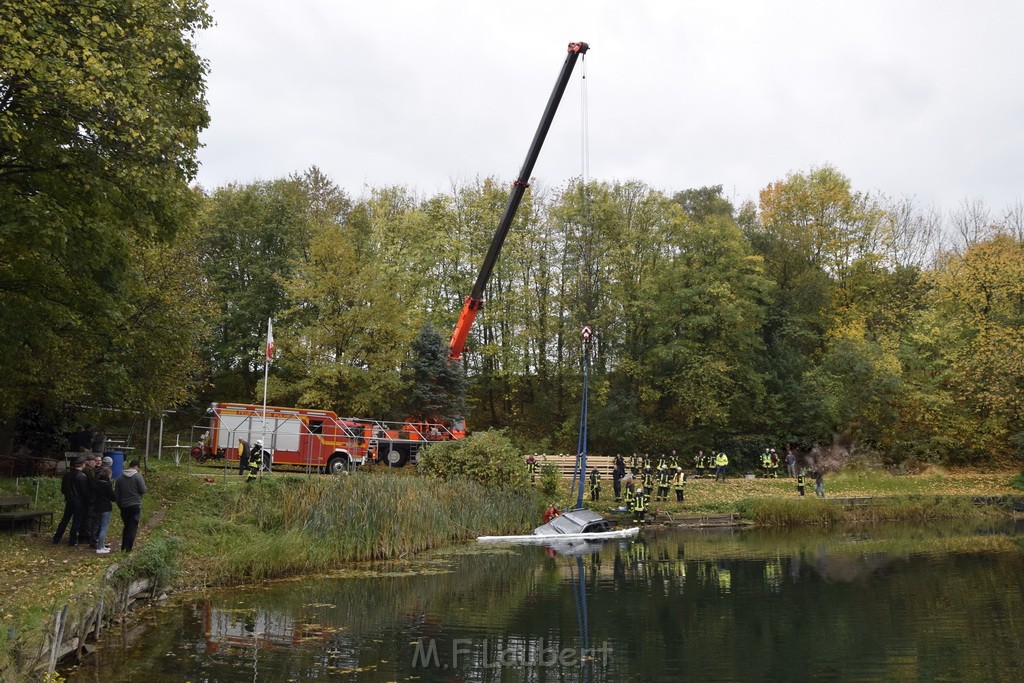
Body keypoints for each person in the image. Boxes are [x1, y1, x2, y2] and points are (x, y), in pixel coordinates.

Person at [53, 457, 90, 546]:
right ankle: (72, 540)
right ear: (82, 464)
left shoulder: (67, 475)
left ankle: (57, 538)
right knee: (76, 522)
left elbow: (63, 489)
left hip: (69, 501)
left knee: (65, 520)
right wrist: (88, 501)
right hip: (80, 502)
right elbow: (84, 491)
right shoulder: (82, 476)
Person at [114, 459, 147, 552]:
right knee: (133, 527)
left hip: (124, 506)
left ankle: (123, 546)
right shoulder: (138, 477)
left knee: (126, 526)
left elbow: (116, 494)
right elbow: (143, 490)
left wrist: (120, 504)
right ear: (136, 467)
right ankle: (129, 548)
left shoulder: (120, 478)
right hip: (135, 505)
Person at [93, 466, 116, 553]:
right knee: (104, 527)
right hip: (105, 507)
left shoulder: (97, 482)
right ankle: (99, 548)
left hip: (97, 507)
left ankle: (101, 544)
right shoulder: (107, 484)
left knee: (99, 526)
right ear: (109, 474)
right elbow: (112, 497)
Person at [81, 453, 101, 546]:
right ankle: (87, 535)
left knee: (88, 517)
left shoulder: (89, 470)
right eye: (94, 461)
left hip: (87, 497)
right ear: (89, 462)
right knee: (89, 517)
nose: (95, 463)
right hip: (90, 497)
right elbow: (93, 483)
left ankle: (86, 535)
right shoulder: (89, 470)